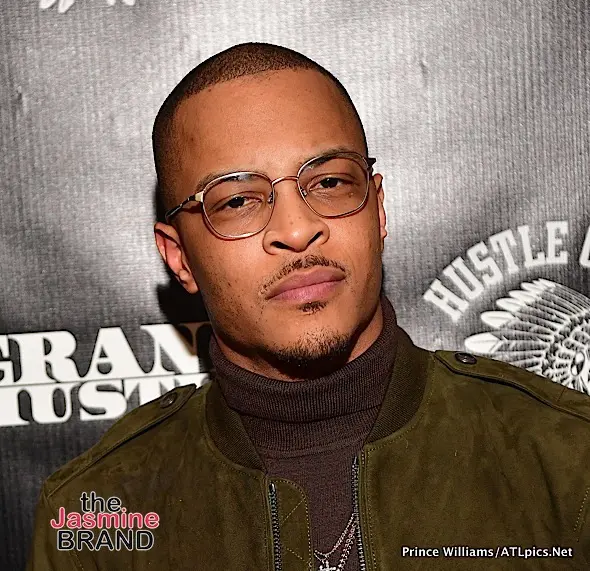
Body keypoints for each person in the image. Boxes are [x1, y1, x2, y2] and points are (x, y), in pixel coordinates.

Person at [27, 42, 590, 571]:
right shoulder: (100, 515)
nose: (297, 230)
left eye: (328, 183)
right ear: (180, 258)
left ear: (378, 210)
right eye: (238, 200)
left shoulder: (569, 461)